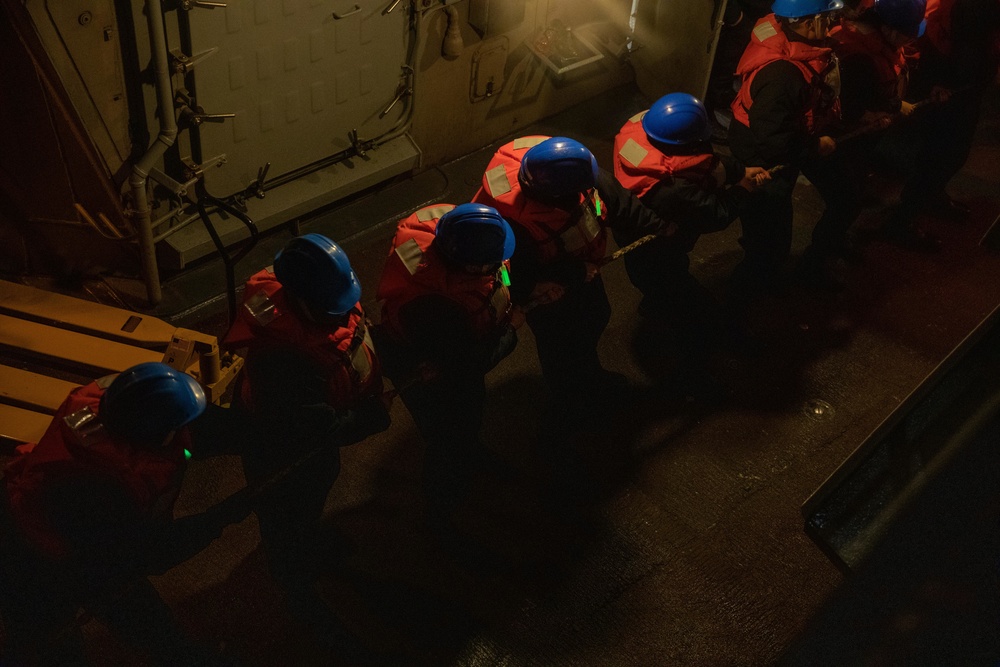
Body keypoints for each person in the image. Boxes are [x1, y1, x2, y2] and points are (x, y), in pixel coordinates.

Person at [0, 362, 247, 665]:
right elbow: (150, 553)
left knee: (147, 623)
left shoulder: (115, 403)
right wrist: (219, 518)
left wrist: (255, 431)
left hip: (41, 516)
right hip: (35, 559)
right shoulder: (106, 489)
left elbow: (195, 427)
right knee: (54, 643)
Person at [223, 233, 390, 650]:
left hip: (310, 442)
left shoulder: (323, 298)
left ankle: (307, 541)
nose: (342, 313)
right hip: (281, 450)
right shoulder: (283, 359)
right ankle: (294, 587)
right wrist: (371, 417)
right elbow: (317, 427)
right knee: (285, 515)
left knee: (315, 491)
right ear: (299, 300)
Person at [471, 135, 679, 405]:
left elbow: (618, 200)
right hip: (550, 293)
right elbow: (512, 276)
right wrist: (576, 272)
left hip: (584, 271)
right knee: (562, 347)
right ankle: (572, 399)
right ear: (557, 195)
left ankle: (590, 375)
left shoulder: (570, 168)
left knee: (595, 316)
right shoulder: (508, 224)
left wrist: (655, 226)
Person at [373, 203, 519, 528]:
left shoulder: (460, 230)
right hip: (426, 367)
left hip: (449, 348)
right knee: (447, 435)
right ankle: (441, 509)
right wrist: (511, 331)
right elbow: (466, 364)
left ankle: (470, 451)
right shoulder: (435, 306)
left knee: (468, 419)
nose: (497, 264)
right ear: (468, 264)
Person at [613, 92, 770, 393]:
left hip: (645, 244)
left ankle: (656, 303)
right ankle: (692, 377)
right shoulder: (673, 188)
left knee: (665, 289)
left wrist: (738, 171)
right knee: (693, 313)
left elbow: (705, 163)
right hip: (655, 256)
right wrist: (742, 189)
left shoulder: (643, 137)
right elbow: (717, 214)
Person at [728, 0, 862, 295]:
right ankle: (747, 293)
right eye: (826, 17)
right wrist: (814, 146)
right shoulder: (782, 74)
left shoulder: (799, 39)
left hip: (797, 133)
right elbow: (772, 138)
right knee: (769, 232)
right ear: (805, 21)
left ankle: (813, 262)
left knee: (847, 197)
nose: (832, 22)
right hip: (764, 150)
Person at [886, 0, 1000, 249]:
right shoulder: (967, 7)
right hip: (950, 83)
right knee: (939, 156)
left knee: (955, 154)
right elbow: (947, 39)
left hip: (967, 83)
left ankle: (932, 195)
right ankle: (903, 219)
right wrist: (939, 81)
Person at [830, 0, 929, 245]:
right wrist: (882, 111)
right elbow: (846, 103)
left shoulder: (880, 43)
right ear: (887, 29)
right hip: (847, 135)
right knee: (846, 196)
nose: (911, 40)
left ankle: (839, 230)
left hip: (867, 131)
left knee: (855, 183)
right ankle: (827, 247)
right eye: (907, 34)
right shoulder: (858, 55)